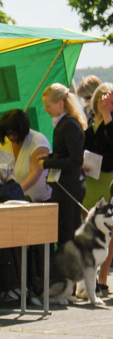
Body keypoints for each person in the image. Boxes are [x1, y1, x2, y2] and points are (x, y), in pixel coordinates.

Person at [38, 83, 87, 245]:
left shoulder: (69, 125)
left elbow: (76, 159)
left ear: (60, 103)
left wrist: (47, 163)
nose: (45, 110)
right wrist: (49, 157)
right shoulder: (64, 124)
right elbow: (65, 154)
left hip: (69, 187)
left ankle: (70, 269)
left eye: (48, 106)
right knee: (65, 232)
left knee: (67, 234)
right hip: (66, 186)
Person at [85, 83, 113, 296]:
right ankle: (88, 280)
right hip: (91, 181)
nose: (106, 102)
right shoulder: (89, 121)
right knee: (90, 230)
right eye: (102, 99)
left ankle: (103, 278)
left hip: (109, 180)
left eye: (110, 99)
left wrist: (107, 115)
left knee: (109, 232)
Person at [0, 109, 51, 202]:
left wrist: (16, 193)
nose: (11, 137)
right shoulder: (4, 143)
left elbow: (36, 172)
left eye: (14, 134)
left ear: (23, 130)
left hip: (42, 200)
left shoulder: (38, 141)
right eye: (8, 134)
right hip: (18, 200)